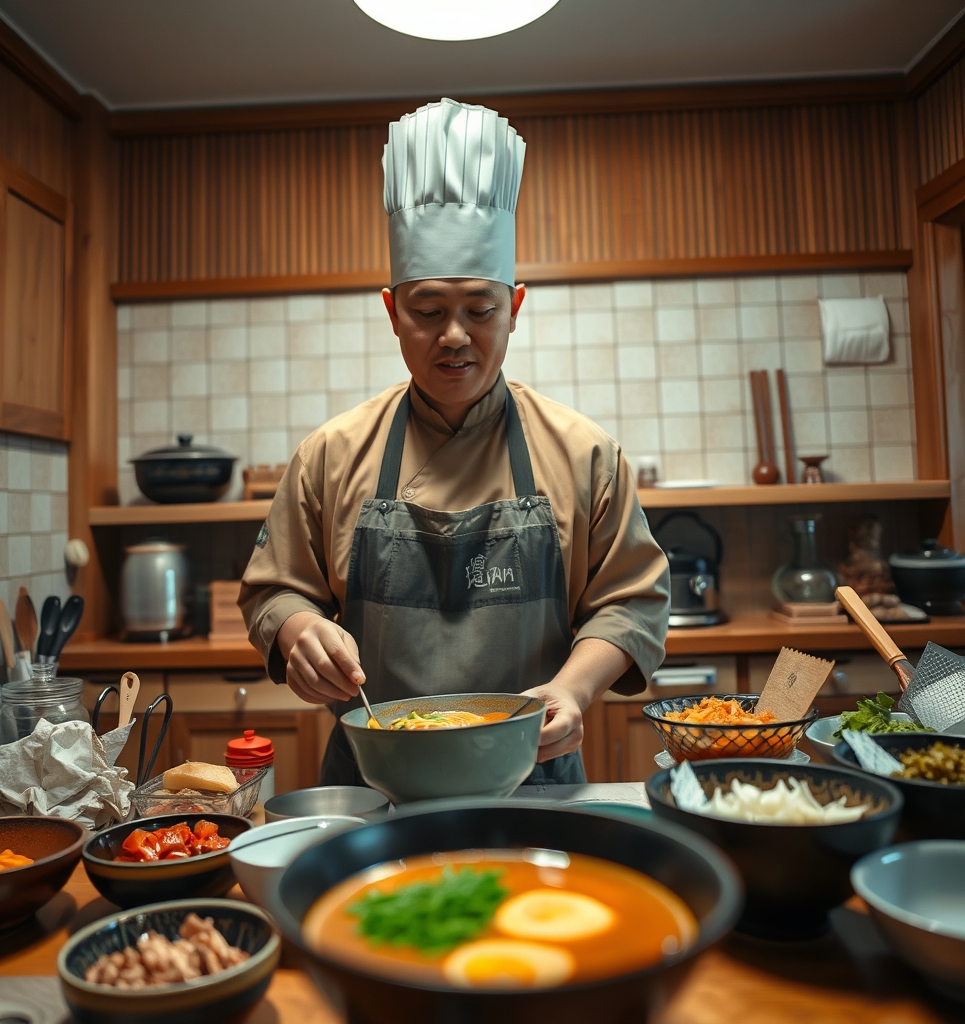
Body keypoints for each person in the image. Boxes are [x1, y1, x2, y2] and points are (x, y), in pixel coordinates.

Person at [240, 98, 669, 785]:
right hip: (370, 783)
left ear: (516, 309)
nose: (455, 337)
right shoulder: (331, 454)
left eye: (480, 310)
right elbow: (275, 590)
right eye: (429, 310)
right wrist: (296, 632)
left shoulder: (584, 453)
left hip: (536, 778)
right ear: (391, 311)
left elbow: (632, 599)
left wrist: (575, 688)